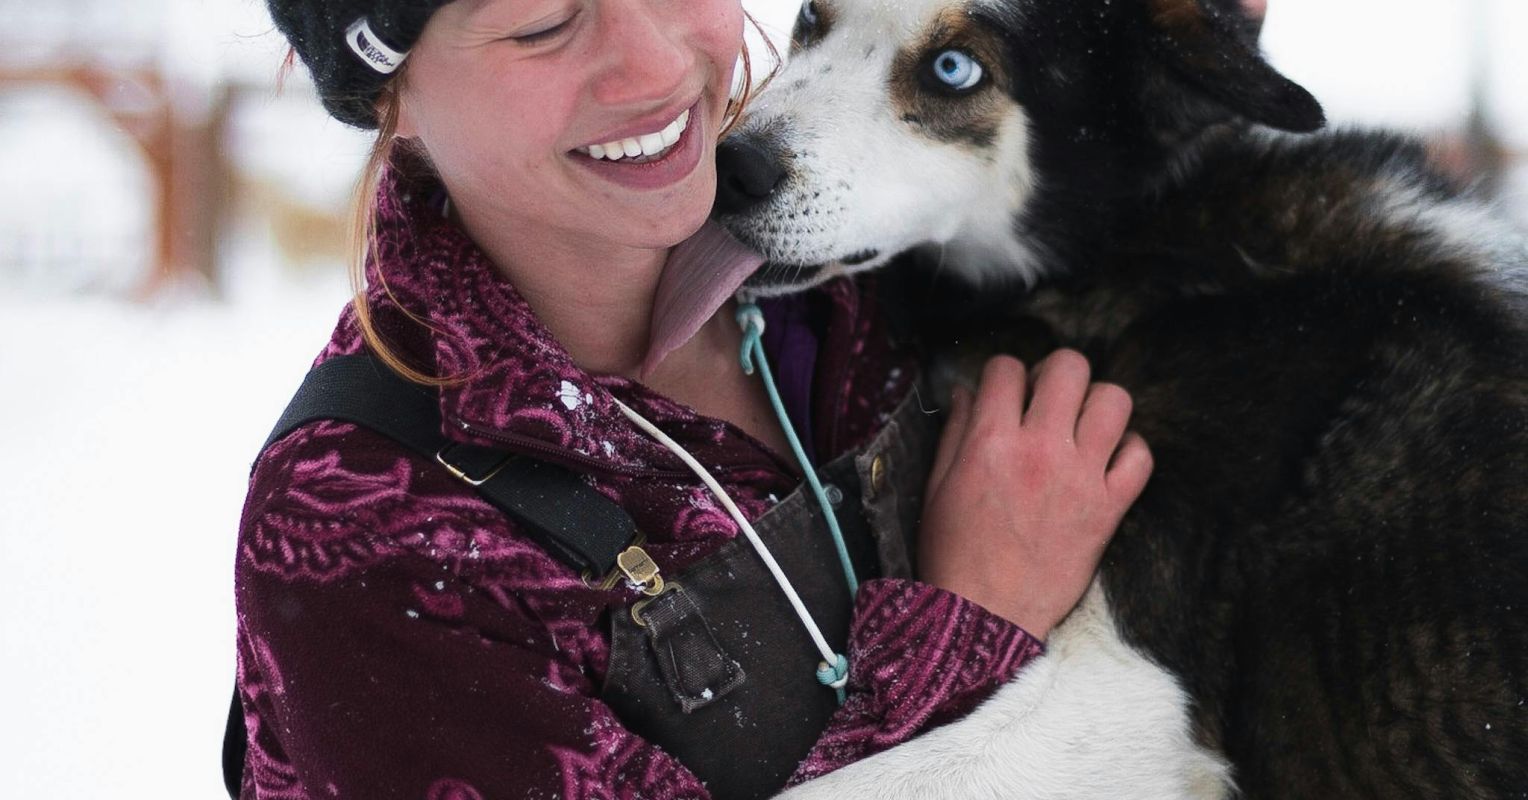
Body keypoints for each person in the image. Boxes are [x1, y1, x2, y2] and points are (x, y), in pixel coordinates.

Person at [232, 1, 1154, 798]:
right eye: (544, 24)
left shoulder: (869, 253)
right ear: (385, 89)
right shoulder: (364, 532)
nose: (660, 68)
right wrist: (971, 625)